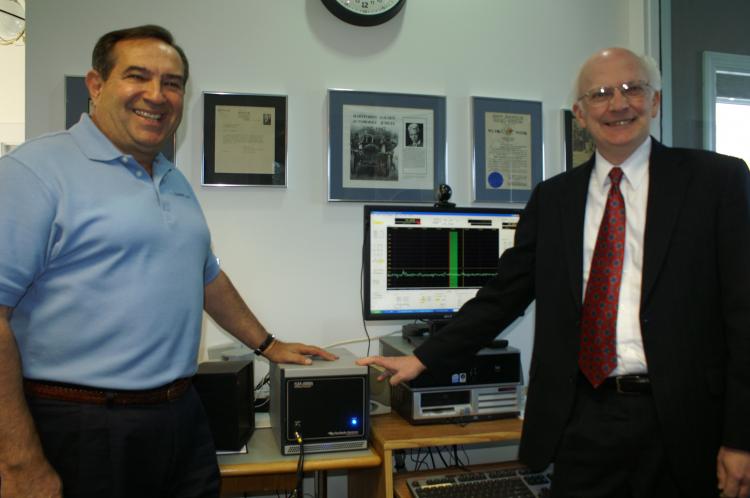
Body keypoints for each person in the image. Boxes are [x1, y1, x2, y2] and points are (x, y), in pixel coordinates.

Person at [359, 47, 750, 498]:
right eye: (600, 94)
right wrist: (423, 358)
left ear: (655, 101)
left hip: (687, 421)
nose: (618, 104)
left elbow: (744, 316)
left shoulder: (716, 181)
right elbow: (504, 295)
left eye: (632, 89)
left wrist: (741, 437)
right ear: (580, 114)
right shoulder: (554, 198)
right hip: (582, 418)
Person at [0, 25, 335, 498]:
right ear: (96, 85)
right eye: (137, 76)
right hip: (81, 425)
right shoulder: (33, 172)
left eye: (172, 83)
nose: (157, 95)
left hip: (180, 416)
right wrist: (18, 462)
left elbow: (206, 276)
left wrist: (269, 345)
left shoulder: (171, 178)